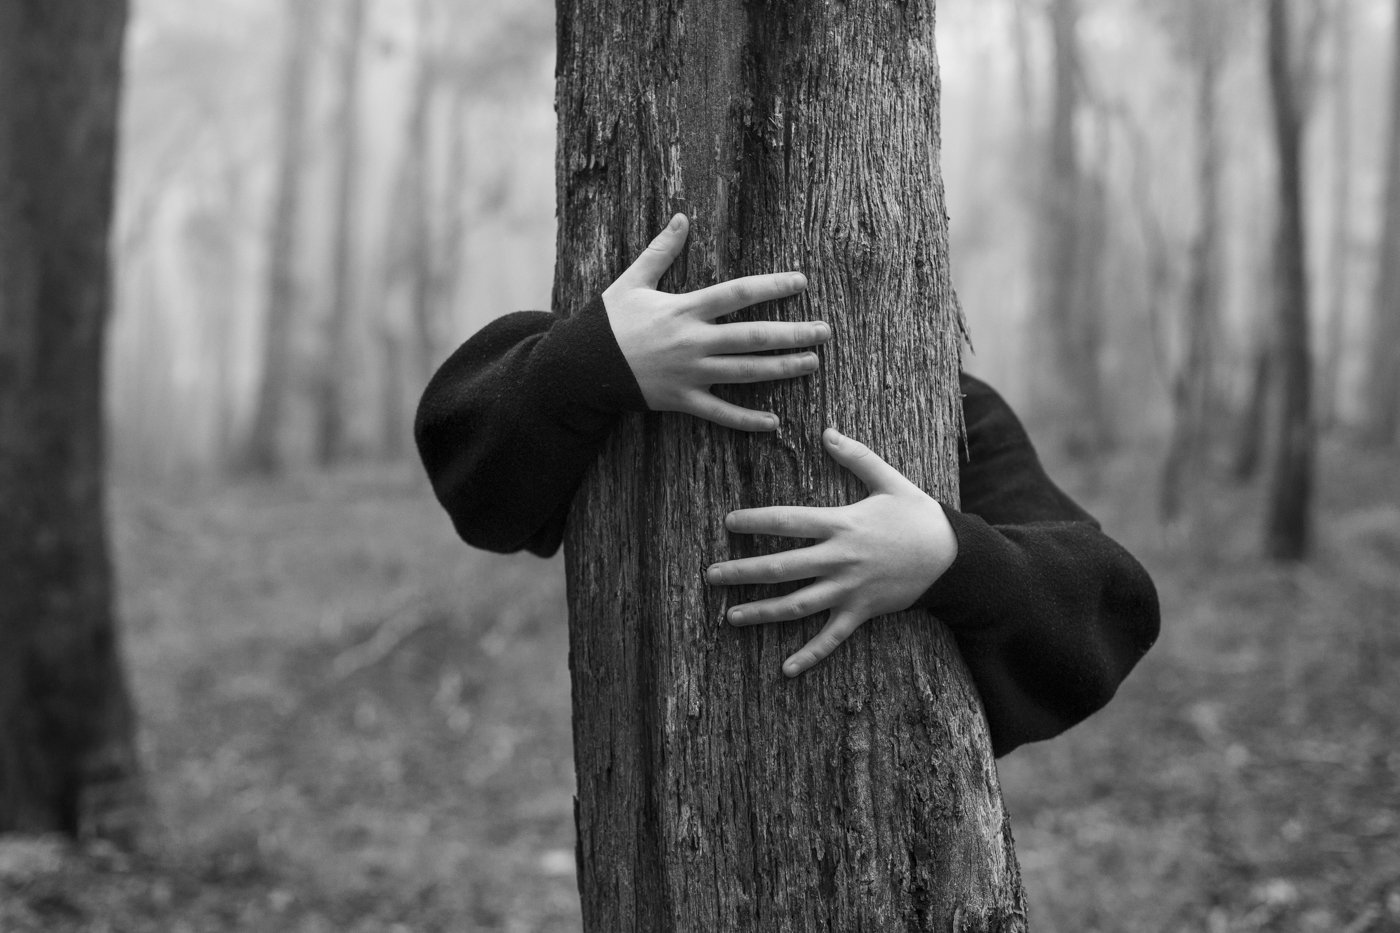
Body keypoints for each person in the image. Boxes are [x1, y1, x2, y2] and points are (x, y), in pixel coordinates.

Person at [415, 214, 1159, 757]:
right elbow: (474, 481)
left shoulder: (952, 411)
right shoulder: (596, 360)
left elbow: (1111, 608)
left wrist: (947, 553)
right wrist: (598, 358)